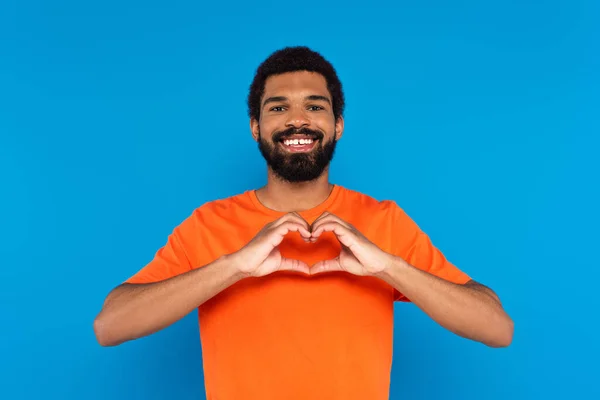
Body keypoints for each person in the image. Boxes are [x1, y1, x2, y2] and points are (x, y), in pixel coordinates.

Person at [94, 46, 513, 400]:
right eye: (279, 108)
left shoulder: (383, 221)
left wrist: (389, 267)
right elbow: (110, 326)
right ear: (256, 128)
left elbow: (497, 329)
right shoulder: (208, 223)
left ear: (338, 126)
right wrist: (233, 266)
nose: (298, 120)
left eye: (315, 106)